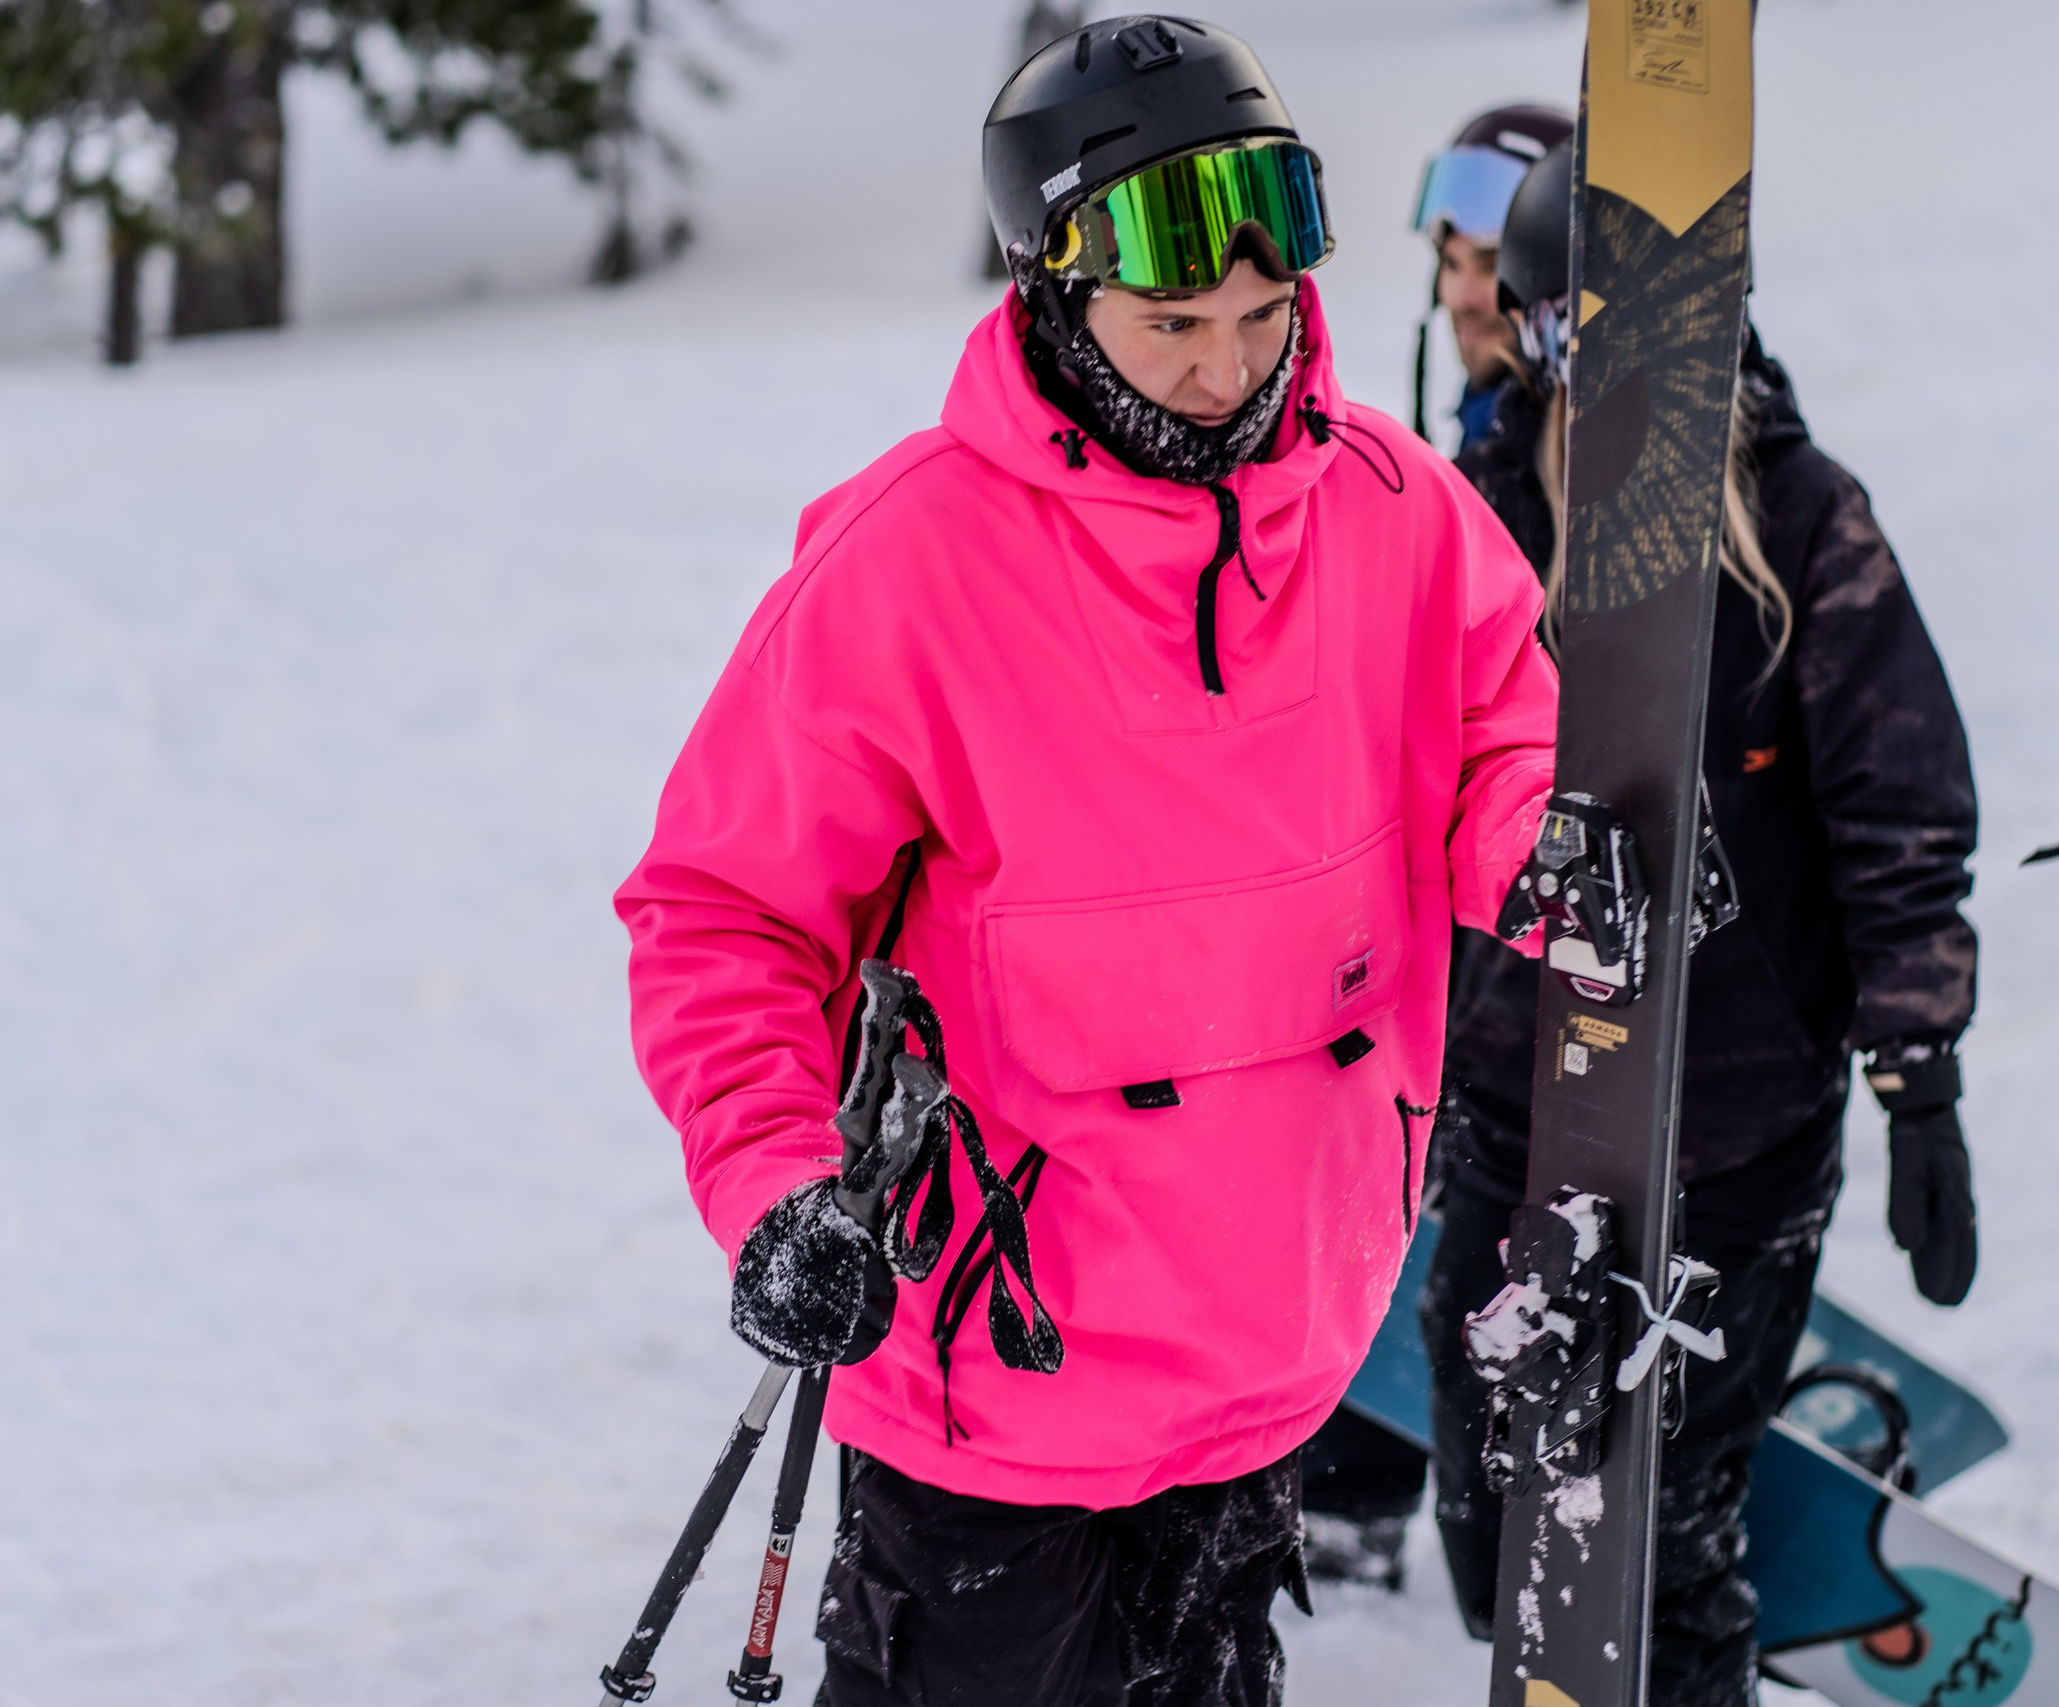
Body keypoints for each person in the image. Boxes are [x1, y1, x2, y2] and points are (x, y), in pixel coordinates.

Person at [612, 16, 1586, 1704]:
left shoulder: (1400, 517)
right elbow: (725, 916)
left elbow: (1509, 743)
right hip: (998, 1401)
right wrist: (777, 1185)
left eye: (1267, 316)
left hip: (1277, 1357)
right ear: (1054, 299)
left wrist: (1563, 863)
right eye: (1176, 326)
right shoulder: (910, 562)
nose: (1233, 371)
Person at [1418, 144, 1983, 1705]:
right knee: (1495, 1532)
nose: (1611, 371)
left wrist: (1916, 1069)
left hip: (1732, 1126)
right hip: (1513, 1110)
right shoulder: (1475, 528)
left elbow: (1901, 801)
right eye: (1572, 334)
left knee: (1652, 1547)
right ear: (1528, 338)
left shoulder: (1803, 518)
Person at [1293, 97, 1577, 1595]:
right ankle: (1355, 1489)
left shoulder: (1584, 467)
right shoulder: (1451, 450)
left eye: (1496, 259)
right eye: (1453, 255)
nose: (1466, 289)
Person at [1405, 105, 1577, 450]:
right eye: (1452, 264)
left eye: (1492, 266)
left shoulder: (1580, 469)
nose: (1460, 299)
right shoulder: (1483, 436)